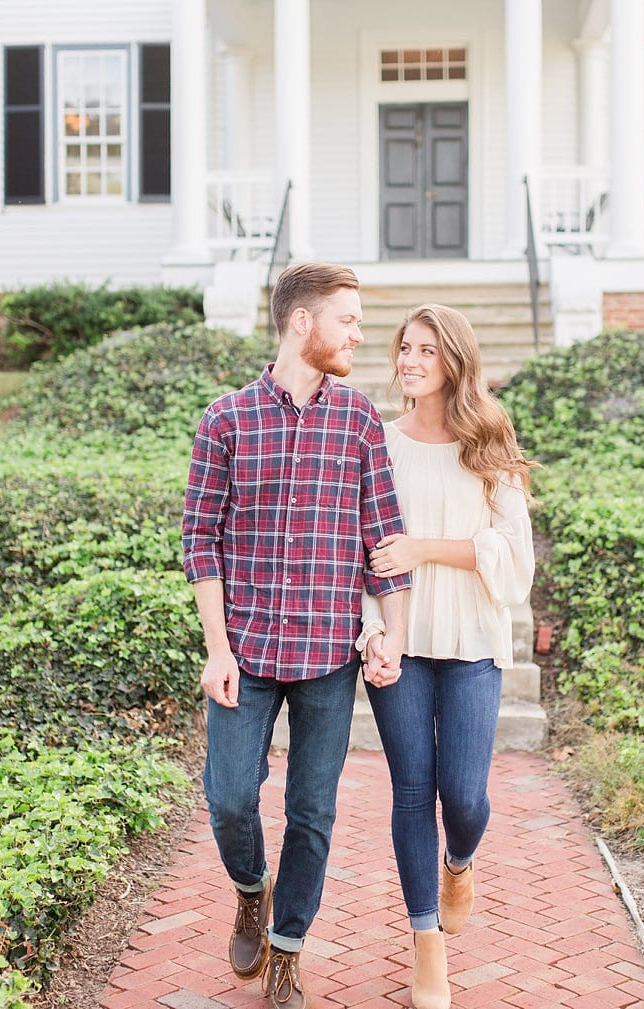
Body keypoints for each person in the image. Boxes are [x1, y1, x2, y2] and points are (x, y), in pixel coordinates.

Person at [182, 262, 412, 1009]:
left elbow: (384, 537)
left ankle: (286, 950)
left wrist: (393, 635)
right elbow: (199, 541)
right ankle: (251, 887)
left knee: (312, 811)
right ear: (301, 323)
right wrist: (217, 647)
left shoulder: (359, 420)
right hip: (244, 652)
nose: (359, 333)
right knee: (228, 800)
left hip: (324, 660)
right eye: (347, 319)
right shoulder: (224, 419)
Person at [357, 304, 536, 1009]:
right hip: (401, 638)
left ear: (453, 361)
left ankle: (459, 860)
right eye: (404, 347)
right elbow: (357, 550)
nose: (409, 360)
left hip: (470, 642)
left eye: (425, 351)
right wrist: (372, 629)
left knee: (462, 794)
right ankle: (425, 943)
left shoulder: (488, 439)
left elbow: (514, 559)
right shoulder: (377, 439)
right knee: (410, 789)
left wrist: (426, 548)